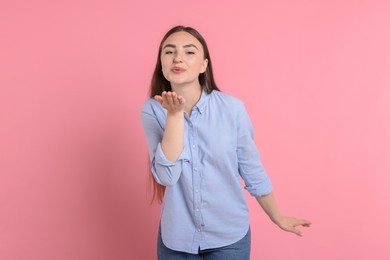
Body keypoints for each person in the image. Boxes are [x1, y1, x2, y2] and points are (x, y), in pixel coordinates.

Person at [141, 25, 311, 260]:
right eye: (169, 52)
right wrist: (174, 115)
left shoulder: (232, 109)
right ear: (161, 62)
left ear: (203, 65)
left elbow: (252, 170)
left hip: (229, 237)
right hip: (177, 239)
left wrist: (277, 217)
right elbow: (167, 176)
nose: (178, 58)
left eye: (189, 52)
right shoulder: (153, 110)